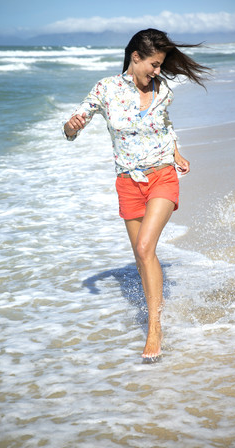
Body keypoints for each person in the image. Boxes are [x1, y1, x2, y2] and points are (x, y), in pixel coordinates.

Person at [63, 28, 209, 362]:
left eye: (160, 65)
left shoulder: (162, 90)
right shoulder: (106, 89)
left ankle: (154, 329)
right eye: (154, 64)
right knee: (143, 259)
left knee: (145, 247)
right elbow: (73, 125)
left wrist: (175, 152)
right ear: (136, 57)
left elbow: (165, 123)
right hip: (128, 182)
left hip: (161, 175)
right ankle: (156, 308)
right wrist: (72, 127)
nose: (157, 71)